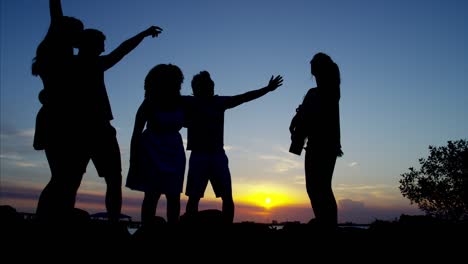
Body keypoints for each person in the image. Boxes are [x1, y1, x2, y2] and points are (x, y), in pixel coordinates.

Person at [65, 25, 162, 222]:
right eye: (100, 45)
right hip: (88, 129)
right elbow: (122, 50)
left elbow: (122, 50)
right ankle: (108, 223)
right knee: (85, 179)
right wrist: (143, 33)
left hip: (93, 129)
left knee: (95, 179)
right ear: (90, 45)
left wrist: (142, 34)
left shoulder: (84, 64)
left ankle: (112, 223)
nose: (102, 49)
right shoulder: (80, 65)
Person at [183, 71, 283, 224]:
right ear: (196, 89)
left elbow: (244, 97)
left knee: (226, 197)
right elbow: (166, 99)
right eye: (204, 86)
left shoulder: (218, 102)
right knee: (195, 197)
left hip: (216, 155)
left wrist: (266, 89)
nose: (208, 88)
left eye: (209, 85)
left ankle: (227, 229)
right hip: (199, 155)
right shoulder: (191, 102)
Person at [32, 0, 85, 221]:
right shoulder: (58, 50)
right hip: (57, 120)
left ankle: (57, 217)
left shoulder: (62, 53)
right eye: (78, 32)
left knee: (68, 177)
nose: (80, 37)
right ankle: (45, 218)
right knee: (63, 177)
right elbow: (56, 13)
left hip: (63, 119)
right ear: (66, 32)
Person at [126, 64, 186, 225]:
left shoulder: (182, 102)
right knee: (152, 194)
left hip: (175, 151)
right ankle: (146, 230)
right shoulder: (148, 103)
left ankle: (173, 230)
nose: (179, 84)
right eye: (176, 81)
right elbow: (136, 134)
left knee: (174, 195)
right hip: (151, 150)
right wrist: (133, 160)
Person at [289, 52, 343, 229]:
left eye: (315, 72)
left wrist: (302, 114)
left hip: (325, 145)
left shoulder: (329, 92)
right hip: (317, 145)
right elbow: (306, 114)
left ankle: (328, 225)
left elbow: (316, 115)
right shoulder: (316, 93)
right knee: (315, 188)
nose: (314, 77)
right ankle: (324, 222)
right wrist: (299, 116)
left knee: (320, 188)